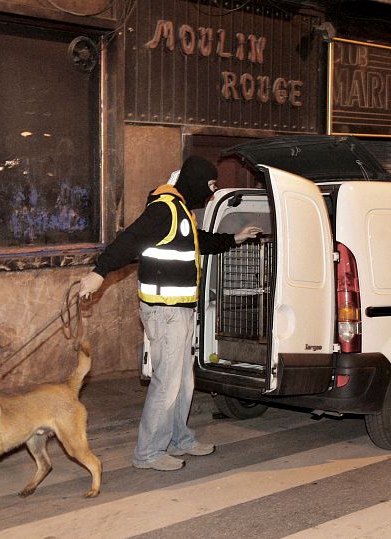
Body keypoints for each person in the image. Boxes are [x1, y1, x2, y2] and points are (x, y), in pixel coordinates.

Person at [79, 155, 261, 471]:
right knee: (167, 383)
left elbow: (197, 242)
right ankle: (148, 452)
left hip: (180, 311)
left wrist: (233, 239)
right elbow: (130, 240)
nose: (210, 192)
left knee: (183, 381)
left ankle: (179, 439)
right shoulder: (164, 208)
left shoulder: (180, 211)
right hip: (165, 312)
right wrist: (99, 273)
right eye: (209, 186)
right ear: (194, 180)